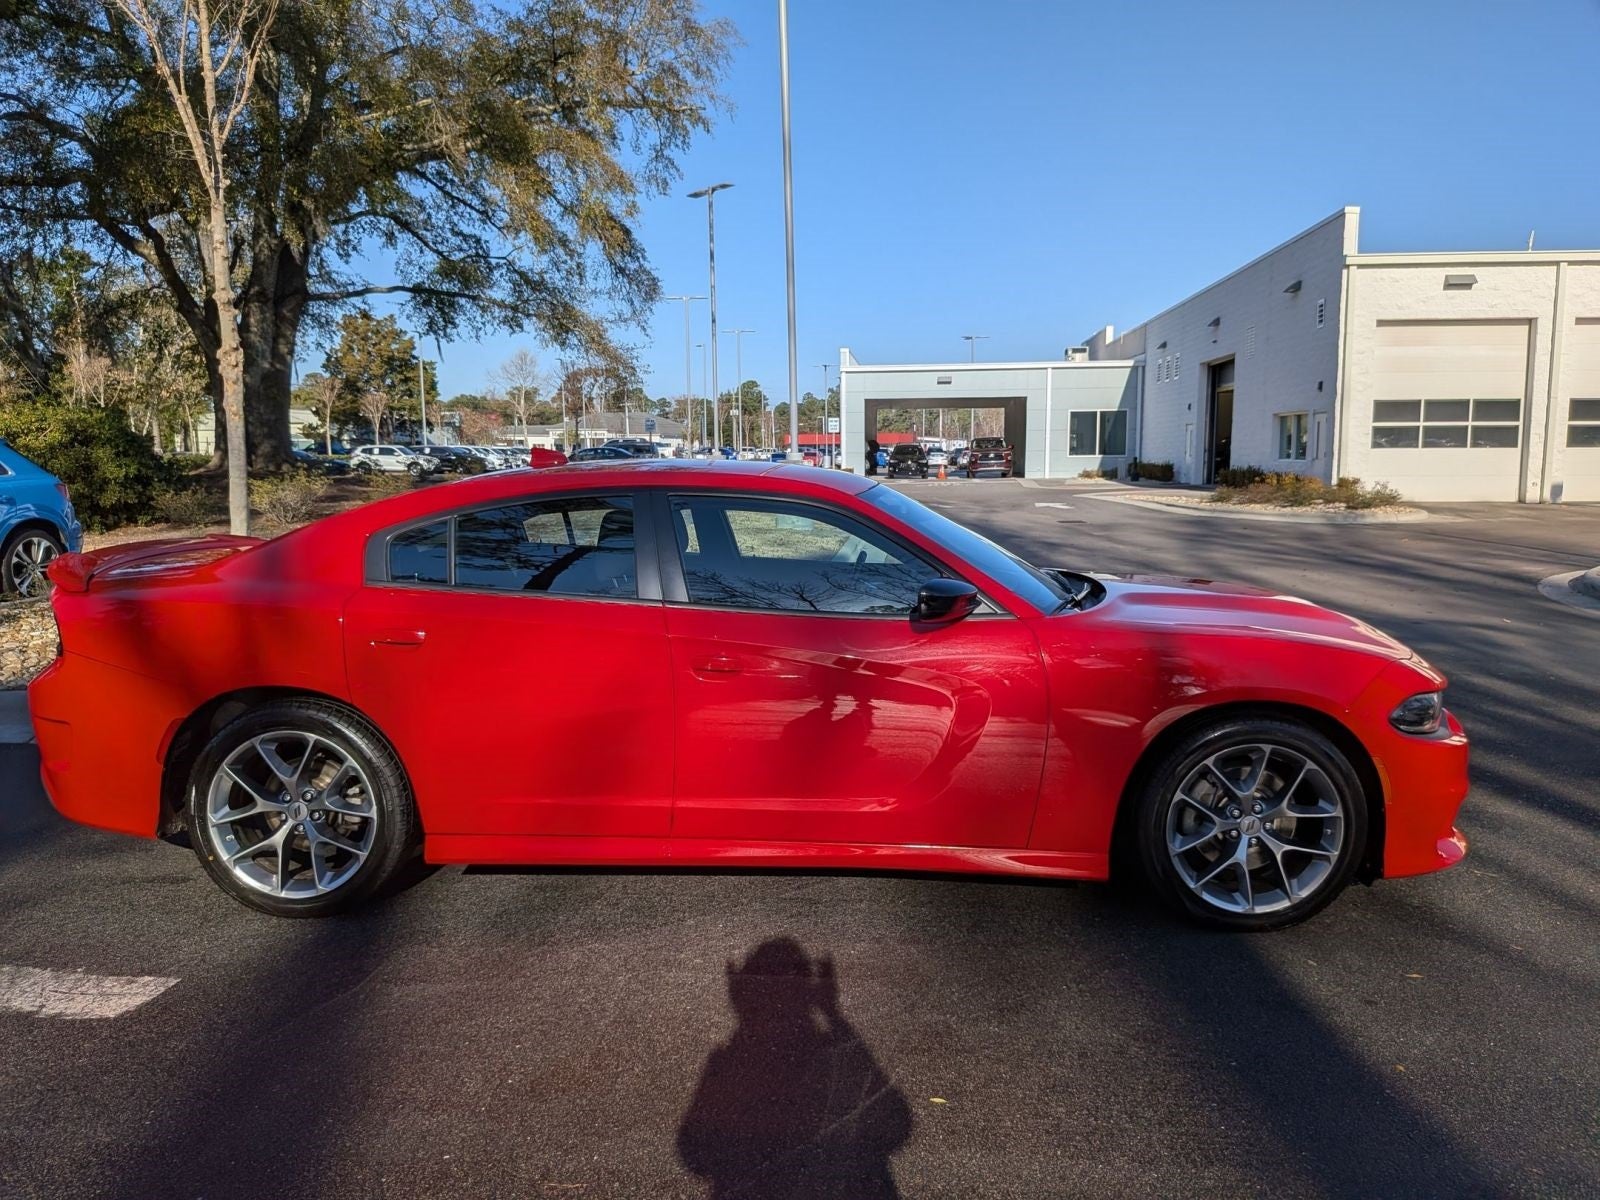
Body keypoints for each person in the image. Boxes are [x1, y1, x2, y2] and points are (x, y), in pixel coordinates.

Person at [678, 938, 912, 1199]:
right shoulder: (836, 1057)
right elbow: (896, 1124)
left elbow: (694, 1153)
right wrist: (834, 1015)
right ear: (809, 994)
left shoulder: (734, 1063)